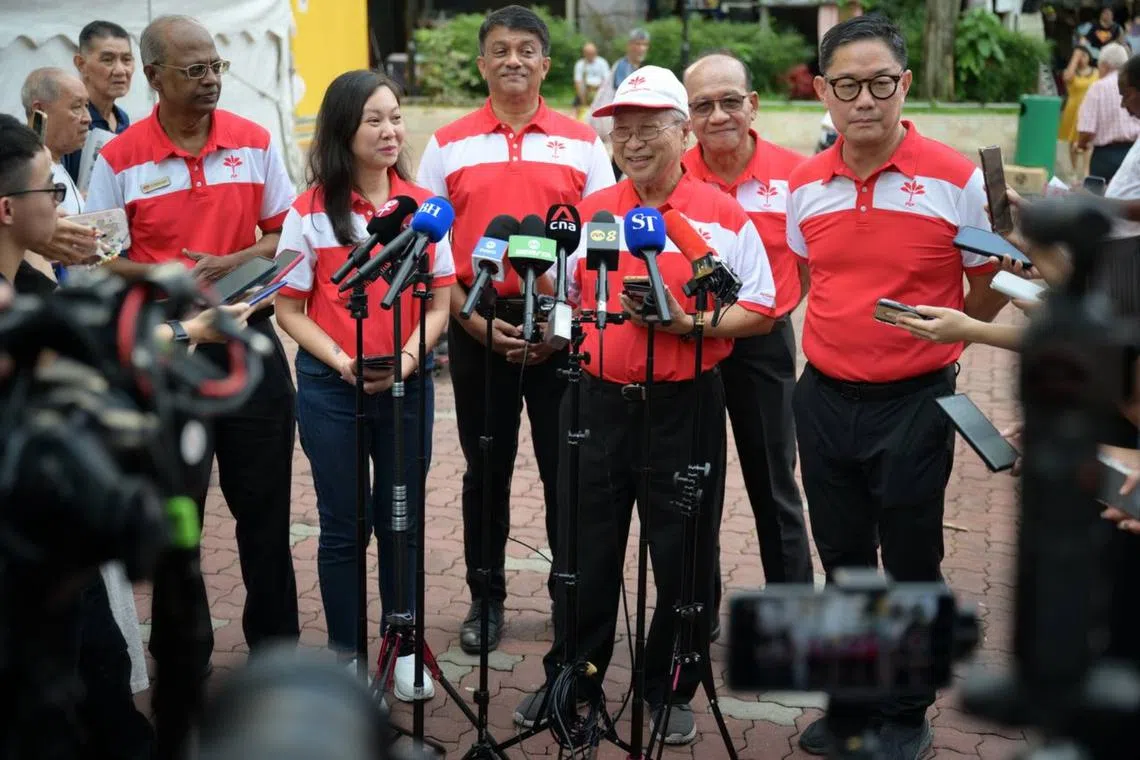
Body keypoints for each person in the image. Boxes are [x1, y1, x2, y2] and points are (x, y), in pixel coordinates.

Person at [513, 65, 778, 745]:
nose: (632, 143)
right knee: (583, 552)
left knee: (683, 555)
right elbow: (570, 297)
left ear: (684, 134)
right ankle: (574, 676)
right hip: (594, 403)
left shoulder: (722, 215)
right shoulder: (593, 210)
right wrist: (549, 330)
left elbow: (759, 308)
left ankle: (670, 686)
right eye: (621, 131)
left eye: (648, 129)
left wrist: (689, 326)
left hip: (685, 406)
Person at [785, 16, 1008, 759]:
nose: (865, 100)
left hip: (916, 401)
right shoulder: (805, 185)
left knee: (911, 560)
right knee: (843, 558)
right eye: (847, 86)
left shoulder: (954, 178)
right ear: (823, 91)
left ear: (905, 84)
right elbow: (814, 275)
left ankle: (908, 709)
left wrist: (952, 336)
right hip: (823, 398)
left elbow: (989, 281)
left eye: (881, 83)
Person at [85, 14, 300, 679]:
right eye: (194, 70)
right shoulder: (118, 158)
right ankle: (185, 658)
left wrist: (231, 260)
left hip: (248, 341)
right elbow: (101, 259)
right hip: (169, 350)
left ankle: (275, 654)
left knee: (265, 513)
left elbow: (283, 235)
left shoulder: (253, 141)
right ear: (154, 77)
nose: (210, 80)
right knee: (180, 519)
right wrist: (169, 277)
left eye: (215, 67)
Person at [415, 4, 614, 655]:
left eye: (526, 49)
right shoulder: (447, 144)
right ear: (482, 63)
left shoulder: (584, 143)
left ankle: (569, 599)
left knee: (568, 472)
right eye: (499, 50)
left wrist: (564, 324)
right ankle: (486, 597)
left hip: (560, 329)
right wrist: (471, 323)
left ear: (546, 63)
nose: (513, 60)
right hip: (480, 321)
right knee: (485, 471)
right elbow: (432, 253)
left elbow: (600, 241)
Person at [274, 70, 455, 700]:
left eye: (396, 117)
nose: (389, 130)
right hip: (331, 387)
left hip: (407, 386)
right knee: (343, 527)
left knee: (401, 522)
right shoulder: (308, 213)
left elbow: (440, 303)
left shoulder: (425, 210)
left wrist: (405, 361)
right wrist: (343, 361)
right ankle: (347, 655)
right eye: (373, 119)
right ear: (342, 130)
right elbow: (289, 309)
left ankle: (403, 645)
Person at [682, 51, 814, 603]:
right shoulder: (674, 175)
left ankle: (792, 614)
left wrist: (774, 309)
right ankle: (695, 614)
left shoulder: (797, 176)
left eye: (730, 101)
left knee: (774, 482)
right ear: (687, 117)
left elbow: (809, 263)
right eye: (703, 106)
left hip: (763, 343)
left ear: (753, 105)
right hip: (688, 342)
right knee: (694, 484)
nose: (718, 116)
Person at [19, 67, 101, 280]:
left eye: (87, 106)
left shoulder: (57, 163)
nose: (88, 118)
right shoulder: (23, 171)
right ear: (40, 110)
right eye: (76, 107)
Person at [62, 20, 135, 183]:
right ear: (81, 64)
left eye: (126, 59)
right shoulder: (69, 120)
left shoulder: (122, 119)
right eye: (108, 60)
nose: (120, 70)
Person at [1077, 42, 1138, 183]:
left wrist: (1081, 144)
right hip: (1134, 152)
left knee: (1100, 195)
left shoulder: (1098, 88)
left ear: (1104, 65)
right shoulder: (1135, 86)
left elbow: (1086, 130)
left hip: (1105, 158)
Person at [1059, 45, 1098, 180]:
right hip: (1073, 110)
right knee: (1072, 141)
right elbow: (1067, 78)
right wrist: (1075, 57)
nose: (1081, 59)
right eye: (1079, 56)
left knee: (1089, 140)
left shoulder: (1096, 72)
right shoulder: (1071, 72)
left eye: (1084, 56)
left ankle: (1086, 172)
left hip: (1090, 109)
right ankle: (1074, 172)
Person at [573, 42, 609, 121]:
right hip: (585, 91)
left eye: (592, 53)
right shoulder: (580, 64)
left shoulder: (602, 62)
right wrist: (582, 98)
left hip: (599, 90)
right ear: (584, 53)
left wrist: (601, 94)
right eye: (588, 53)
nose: (590, 55)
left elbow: (607, 80)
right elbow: (577, 81)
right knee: (577, 107)